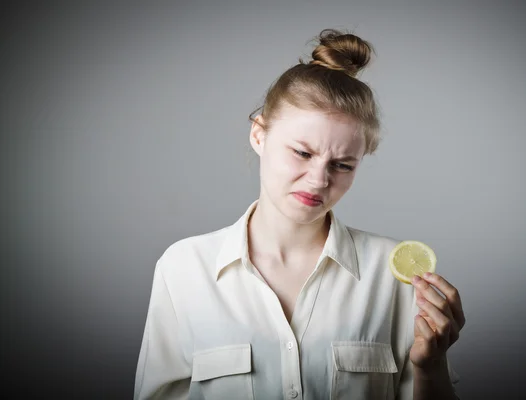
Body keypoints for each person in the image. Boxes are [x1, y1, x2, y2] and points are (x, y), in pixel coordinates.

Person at [134, 28, 466, 400]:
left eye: (342, 165)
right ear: (259, 135)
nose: (318, 180)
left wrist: (430, 366)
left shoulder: (395, 274)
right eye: (303, 153)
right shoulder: (183, 268)